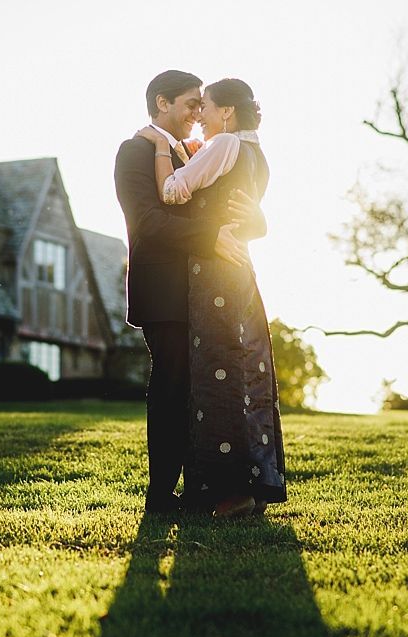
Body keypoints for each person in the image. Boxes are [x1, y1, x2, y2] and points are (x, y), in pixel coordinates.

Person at [135, 78, 286, 517]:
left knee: (216, 374)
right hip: (242, 274)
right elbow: (245, 214)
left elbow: (170, 192)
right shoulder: (260, 156)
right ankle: (256, 485)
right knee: (246, 372)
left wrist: (161, 150)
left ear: (226, 113)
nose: (201, 116)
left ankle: (228, 491)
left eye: (208, 108)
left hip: (215, 274)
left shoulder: (223, 146)